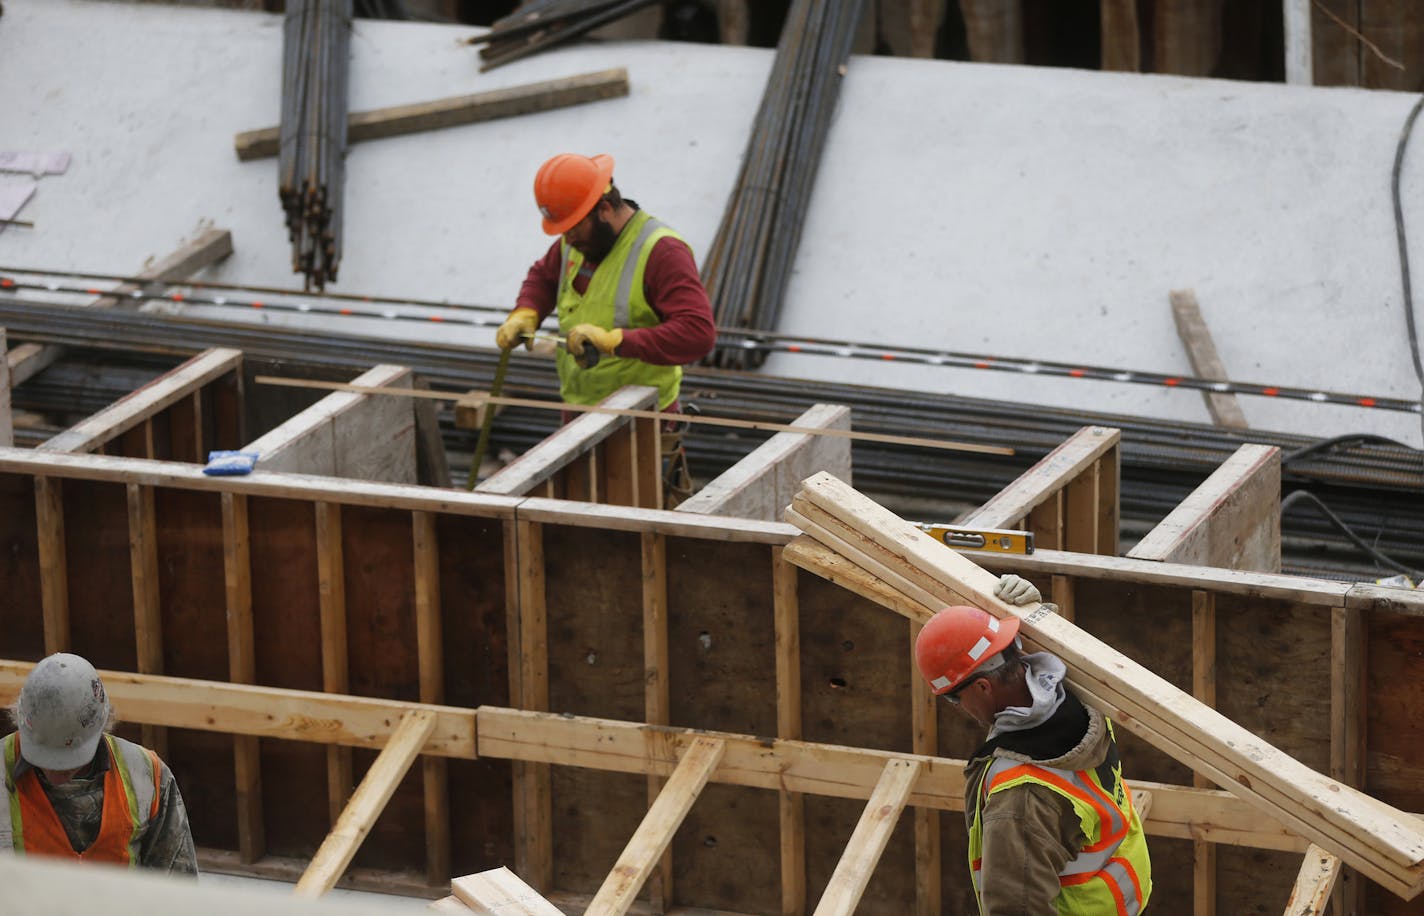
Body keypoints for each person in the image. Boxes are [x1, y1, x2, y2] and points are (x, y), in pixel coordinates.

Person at [916, 575, 1151, 915]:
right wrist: (1037, 614)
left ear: (982, 688)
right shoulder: (1084, 696)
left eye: (954, 697)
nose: (959, 708)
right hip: (1119, 891)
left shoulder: (1020, 796)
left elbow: (1017, 907)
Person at [495, 152, 717, 415]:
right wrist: (527, 311)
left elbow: (697, 334)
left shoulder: (662, 252)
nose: (569, 239)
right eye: (564, 231)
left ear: (604, 209)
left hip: (641, 419)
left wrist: (616, 341)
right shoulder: (578, 239)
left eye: (574, 229)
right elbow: (543, 276)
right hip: (579, 408)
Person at [2, 653, 197, 874]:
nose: (55, 773)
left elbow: (177, 886)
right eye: (45, 758)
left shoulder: (146, 776)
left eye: (67, 763)